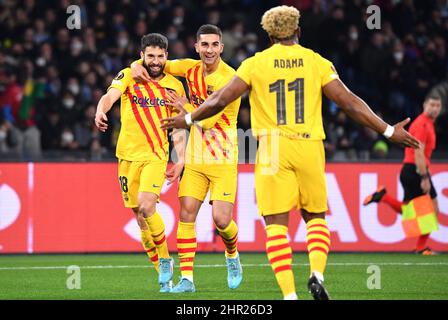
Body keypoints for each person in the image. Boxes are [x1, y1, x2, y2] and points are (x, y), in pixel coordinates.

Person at [161, 6, 420, 300]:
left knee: (275, 224)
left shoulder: (254, 64)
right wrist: (387, 131)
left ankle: (289, 296)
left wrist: (187, 118)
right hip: (309, 145)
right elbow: (349, 102)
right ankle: (317, 274)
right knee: (316, 217)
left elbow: (220, 100)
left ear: (269, 35)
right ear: (298, 31)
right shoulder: (316, 62)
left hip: (272, 148)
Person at [131, 24, 243, 293]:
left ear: (221, 48)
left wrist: (184, 106)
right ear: (196, 47)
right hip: (195, 157)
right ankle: (187, 280)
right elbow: (156, 62)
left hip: (223, 157)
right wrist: (136, 65)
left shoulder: (230, 78)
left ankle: (232, 255)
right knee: (186, 214)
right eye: (204, 45)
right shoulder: (188, 68)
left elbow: (209, 120)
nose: (209, 50)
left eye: (214, 45)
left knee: (222, 220)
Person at [95, 33, 186, 292]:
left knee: (148, 205)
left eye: (160, 56)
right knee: (141, 219)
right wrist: (100, 110)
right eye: (151, 56)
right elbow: (110, 95)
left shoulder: (174, 86)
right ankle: (165, 278)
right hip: (126, 157)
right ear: (142, 55)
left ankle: (166, 259)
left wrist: (180, 158)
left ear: (166, 57)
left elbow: (178, 127)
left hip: (156, 155)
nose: (155, 61)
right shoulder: (128, 75)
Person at [364, 94, 442, 255]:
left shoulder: (427, 124)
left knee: (409, 210)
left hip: (409, 169)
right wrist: (424, 177)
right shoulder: (422, 124)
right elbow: (418, 152)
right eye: (432, 105)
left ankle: (383, 197)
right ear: (424, 105)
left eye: (438, 106)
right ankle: (421, 247)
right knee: (432, 209)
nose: (435, 108)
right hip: (416, 170)